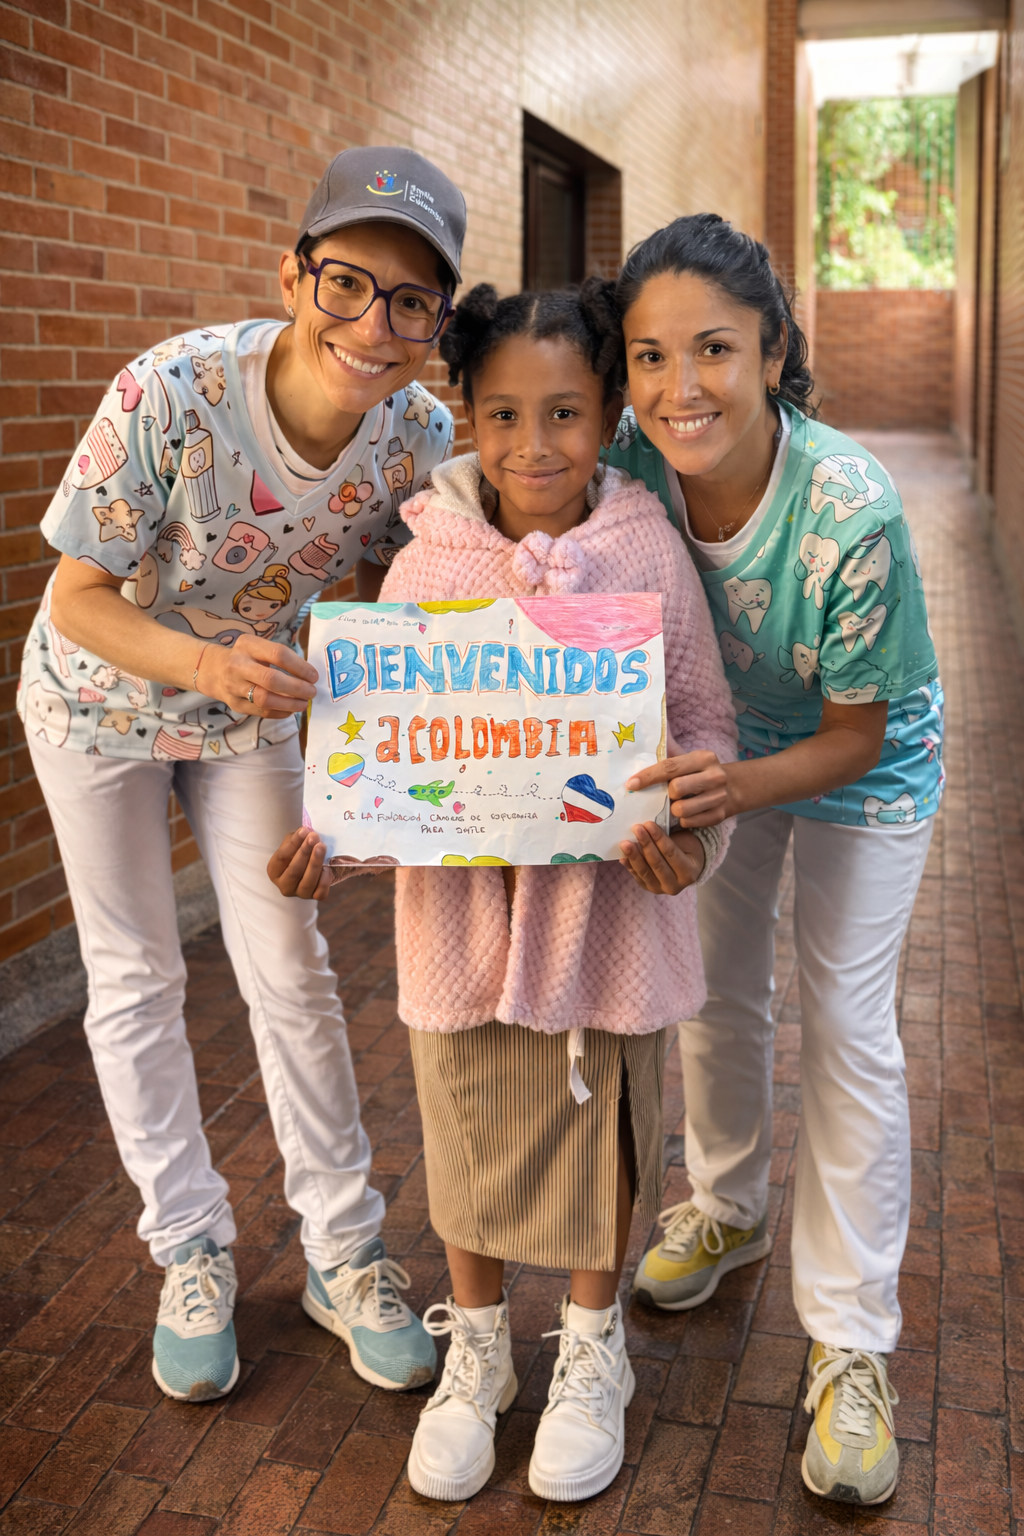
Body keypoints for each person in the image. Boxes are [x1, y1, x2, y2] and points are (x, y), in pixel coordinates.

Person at [269, 280, 737, 1502]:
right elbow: (385, 753)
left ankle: (592, 1349)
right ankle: (473, 1349)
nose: (536, 447)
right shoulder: (427, 569)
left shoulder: (644, 553)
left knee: (601, 1138)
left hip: (606, 919)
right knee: (466, 1125)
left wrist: (684, 823)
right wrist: (339, 836)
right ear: (464, 417)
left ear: (607, 418)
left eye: (568, 414)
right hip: (465, 925)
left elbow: (700, 724)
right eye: (503, 417)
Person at [17, 146, 466, 1403]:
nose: (372, 327)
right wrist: (208, 669)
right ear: (293, 276)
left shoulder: (415, 435)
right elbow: (76, 597)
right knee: (136, 978)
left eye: (410, 302)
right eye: (346, 283)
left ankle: (344, 1250)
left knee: (290, 966)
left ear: (435, 324)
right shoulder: (170, 392)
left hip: (249, 714)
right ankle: (190, 1248)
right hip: (98, 696)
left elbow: (409, 598)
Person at [608, 213, 943, 1507]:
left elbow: (858, 732)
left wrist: (737, 785)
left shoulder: (851, 507)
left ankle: (853, 1345)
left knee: (847, 1024)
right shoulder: (627, 465)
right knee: (717, 982)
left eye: (712, 350)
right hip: (716, 749)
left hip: (864, 765)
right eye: (647, 356)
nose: (678, 387)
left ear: (774, 350)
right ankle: (730, 1207)